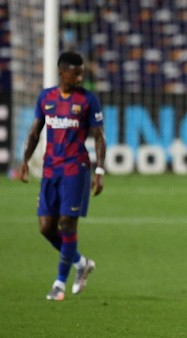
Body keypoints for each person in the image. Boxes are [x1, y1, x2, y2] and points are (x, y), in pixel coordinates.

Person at [19, 51, 106, 301]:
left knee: (67, 223)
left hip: (75, 169)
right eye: (75, 73)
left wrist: (99, 170)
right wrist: (25, 160)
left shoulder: (88, 100)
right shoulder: (46, 98)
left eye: (82, 74)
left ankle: (59, 283)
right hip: (50, 170)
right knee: (46, 228)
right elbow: (35, 132)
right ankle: (80, 262)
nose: (80, 78)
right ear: (62, 72)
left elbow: (99, 137)